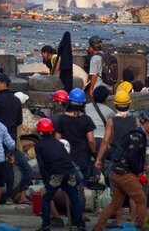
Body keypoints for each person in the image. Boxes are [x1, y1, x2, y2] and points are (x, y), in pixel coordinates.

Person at [94, 91, 143, 227]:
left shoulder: (111, 121)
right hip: (131, 163)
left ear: (115, 104)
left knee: (116, 199)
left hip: (116, 163)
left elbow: (105, 142)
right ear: (129, 104)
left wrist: (98, 159)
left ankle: (114, 222)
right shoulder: (135, 120)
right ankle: (135, 222)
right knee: (136, 196)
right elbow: (140, 141)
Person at [34, 118, 86, 231]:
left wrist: (46, 182)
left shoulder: (39, 146)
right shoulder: (58, 143)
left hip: (56, 175)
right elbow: (67, 158)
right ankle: (80, 225)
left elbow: (42, 166)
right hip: (70, 172)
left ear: (39, 132)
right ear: (51, 131)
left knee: (46, 198)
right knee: (75, 199)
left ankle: (46, 225)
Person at [0, 73, 27, 203]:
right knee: (9, 166)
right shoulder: (16, 101)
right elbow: (19, 121)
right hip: (11, 138)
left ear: (3, 84)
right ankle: (10, 196)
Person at [55, 88, 96, 181]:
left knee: (67, 185)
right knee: (81, 183)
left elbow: (57, 140)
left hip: (66, 157)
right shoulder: (87, 119)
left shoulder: (62, 119)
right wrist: (94, 153)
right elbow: (91, 140)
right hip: (82, 157)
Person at [85, 86, 115, 151]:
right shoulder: (110, 111)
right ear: (105, 98)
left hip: (86, 139)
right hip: (101, 140)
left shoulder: (85, 107)